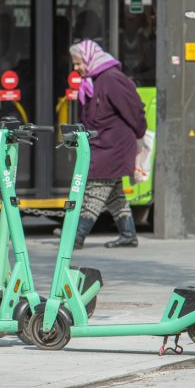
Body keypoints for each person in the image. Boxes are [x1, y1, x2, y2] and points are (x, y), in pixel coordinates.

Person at [68, 39, 146, 249]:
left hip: (114, 146)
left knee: (96, 187)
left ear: (89, 59)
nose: (75, 69)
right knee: (114, 193)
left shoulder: (112, 79)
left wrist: (140, 133)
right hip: (103, 143)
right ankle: (128, 234)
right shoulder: (95, 80)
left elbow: (135, 110)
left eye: (78, 63)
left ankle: (76, 236)